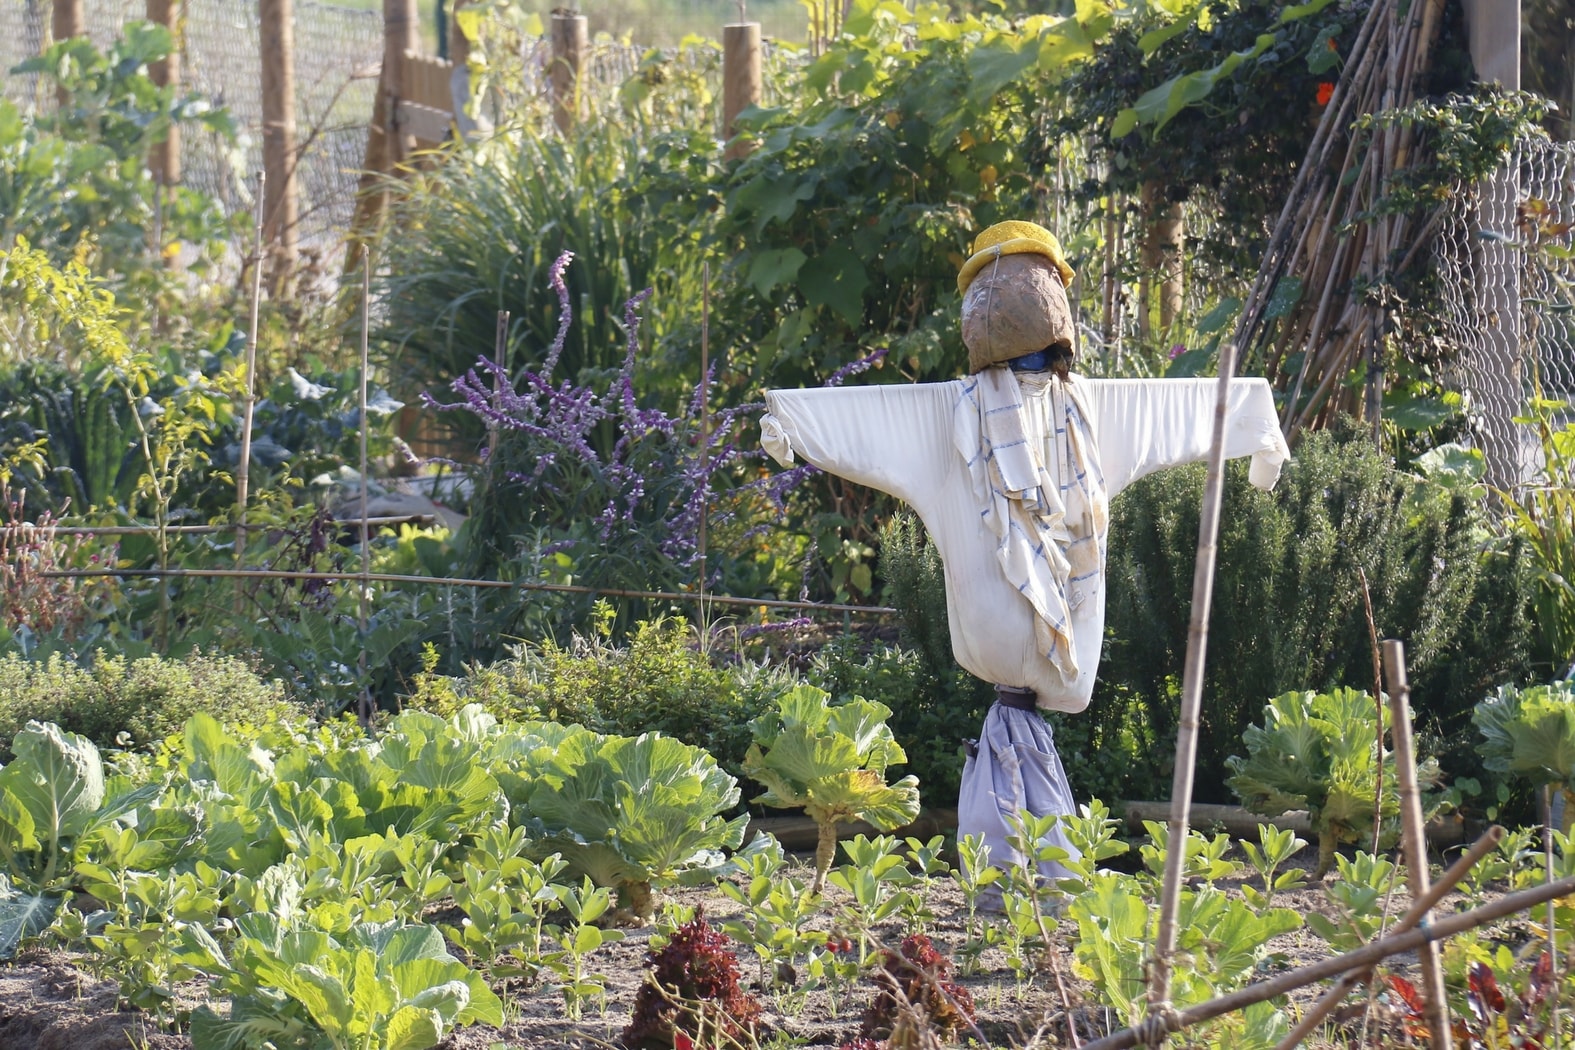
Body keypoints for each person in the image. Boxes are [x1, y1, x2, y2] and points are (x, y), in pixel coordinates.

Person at [759, 220, 1290, 885]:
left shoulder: (1011, 416)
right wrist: (1253, 422)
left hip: (1023, 648)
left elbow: (862, 419)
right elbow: (1198, 408)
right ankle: (1025, 870)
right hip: (1032, 652)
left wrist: (786, 421)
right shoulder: (1043, 416)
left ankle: (1014, 871)